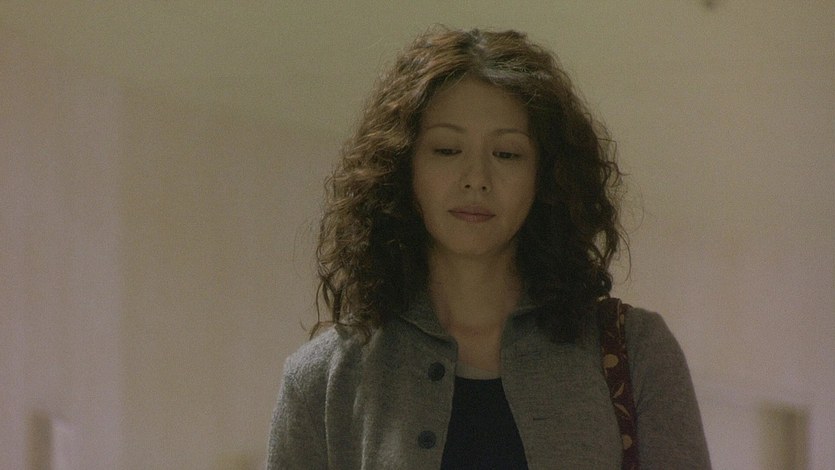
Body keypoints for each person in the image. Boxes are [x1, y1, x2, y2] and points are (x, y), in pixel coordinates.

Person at [267, 27, 711, 469]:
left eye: (507, 154)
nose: (476, 178)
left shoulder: (637, 352)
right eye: (446, 149)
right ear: (402, 168)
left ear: (545, 176)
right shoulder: (322, 381)